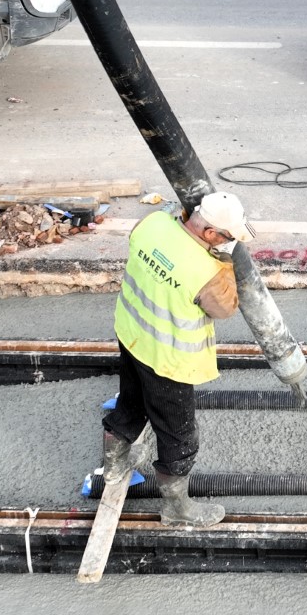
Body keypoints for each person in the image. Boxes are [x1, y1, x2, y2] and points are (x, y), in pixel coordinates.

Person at [102, 192, 248, 528]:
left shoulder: (152, 224)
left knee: (130, 404)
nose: (229, 243)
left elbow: (156, 246)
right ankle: (177, 509)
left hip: (132, 335)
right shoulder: (205, 270)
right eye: (228, 237)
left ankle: (114, 467)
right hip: (168, 360)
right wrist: (224, 264)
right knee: (179, 437)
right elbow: (224, 308)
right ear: (211, 234)